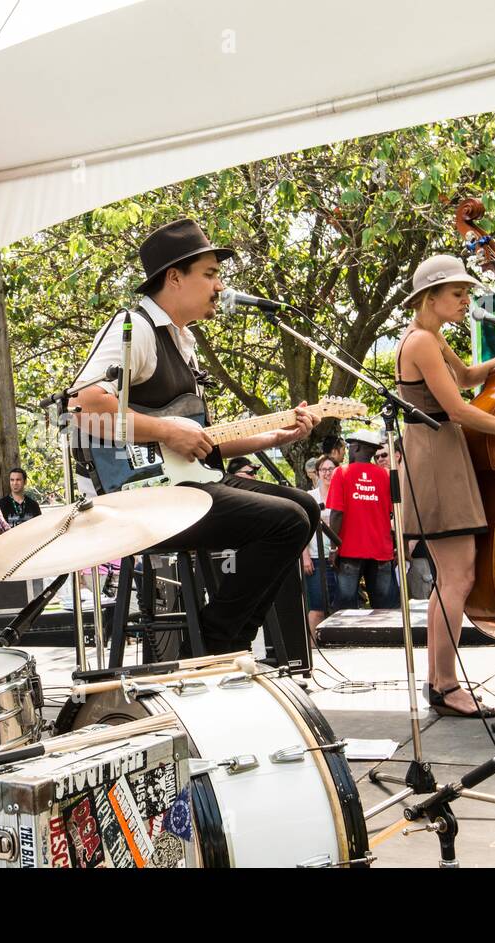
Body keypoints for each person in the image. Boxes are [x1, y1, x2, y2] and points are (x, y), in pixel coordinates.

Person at [71, 218, 321, 654]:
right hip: (140, 497)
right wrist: (167, 429)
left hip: (187, 484)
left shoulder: (181, 341)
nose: (220, 286)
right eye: (210, 274)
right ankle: (217, 641)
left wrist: (271, 437)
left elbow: (197, 441)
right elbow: (82, 407)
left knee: (303, 505)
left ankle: (223, 636)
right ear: (174, 277)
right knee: (287, 521)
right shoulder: (136, 328)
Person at [395, 254, 495, 718]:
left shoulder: (431, 337)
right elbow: (460, 409)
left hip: (444, 452)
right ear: (430, 297)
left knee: (454, 576)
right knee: (458, 576)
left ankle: (440, 682)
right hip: (436, 456)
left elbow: (465, 379)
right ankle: (443, 685)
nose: (466, 301)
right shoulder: (422, 341)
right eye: (458, 294)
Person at [327, 430, 398, 609]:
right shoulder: (385, 475)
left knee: (345, 608)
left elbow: (336, 513)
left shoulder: (341, 472)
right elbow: (393, 513)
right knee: (383, 609)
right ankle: (383, 638)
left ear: (356, 447)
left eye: (350, 447)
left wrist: (333, 547)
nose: (348, 451)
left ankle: (348, 639)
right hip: (381, 551)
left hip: (350, 551)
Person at [302, 455, 339, 637]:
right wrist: (305, 557)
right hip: (316, 559)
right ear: (317, 473)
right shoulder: (310, 497)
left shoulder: (341, 494)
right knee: (317, 606)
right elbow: (302, 529)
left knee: (338, 606)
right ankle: (313, 647)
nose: (327, 473)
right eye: (323, 469)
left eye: (331, 469)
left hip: (339, 558)